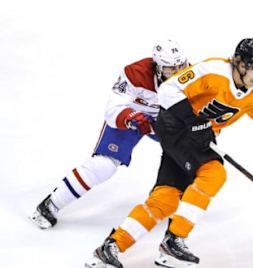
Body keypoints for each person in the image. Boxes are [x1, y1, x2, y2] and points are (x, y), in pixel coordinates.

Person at [85, 38, 253, 268]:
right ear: (240, 64)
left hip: (195, 139)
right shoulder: (212, 70)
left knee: (166, 200)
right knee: (213, 172)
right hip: (173, 126)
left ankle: (111, 247)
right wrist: (194, 122)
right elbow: (168, 89)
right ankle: (174, 241)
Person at [30, 40, 189, 229]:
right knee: (104, 166)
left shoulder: (193, 76)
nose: (178, 73)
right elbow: (113, 109)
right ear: (157, 66)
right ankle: (51, 204)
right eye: (170, 69)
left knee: (190, 158)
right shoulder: (135, 73)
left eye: (181, 66)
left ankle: (165, 202)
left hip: (165, 121)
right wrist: (132, 118)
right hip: (133, 117)